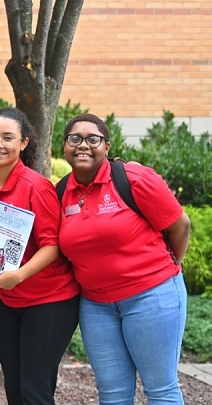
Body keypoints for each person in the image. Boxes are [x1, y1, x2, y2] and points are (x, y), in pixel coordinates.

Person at [58, 113, 190, 404]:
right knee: (112, 394)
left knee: (160, 389)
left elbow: (180, 225)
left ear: (106, 146)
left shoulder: (133, 178)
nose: (83, 145)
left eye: (93, 139)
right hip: (96, 307)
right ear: (64, 147)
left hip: (152, 298)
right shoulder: (60, 192)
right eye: (74, 138)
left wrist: (167, 269)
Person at [0, 107, 80, 404]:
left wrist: (19, 275)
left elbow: (53, 245)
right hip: (9, 301)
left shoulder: (35, 186)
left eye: (8, 138)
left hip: (49, 301)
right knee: (15, 389)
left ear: (24, 143)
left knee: (35, 390)